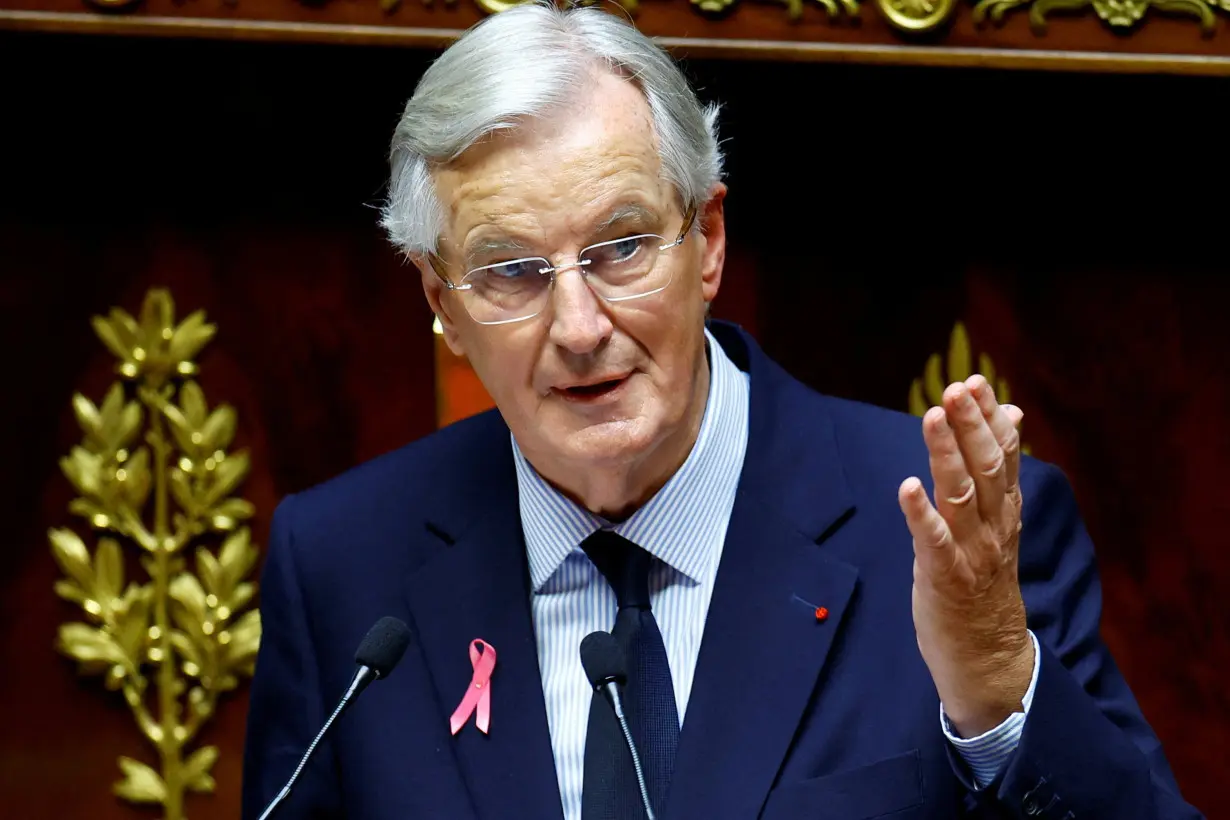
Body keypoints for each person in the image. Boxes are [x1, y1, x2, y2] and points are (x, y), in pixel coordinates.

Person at [241, 3, 1203, 818]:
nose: (578, 326)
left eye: (622, 247)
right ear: (441, 303)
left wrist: (996, 689)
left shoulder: (954, 539)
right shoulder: (342, 570)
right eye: (510, 272)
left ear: (706, 241)